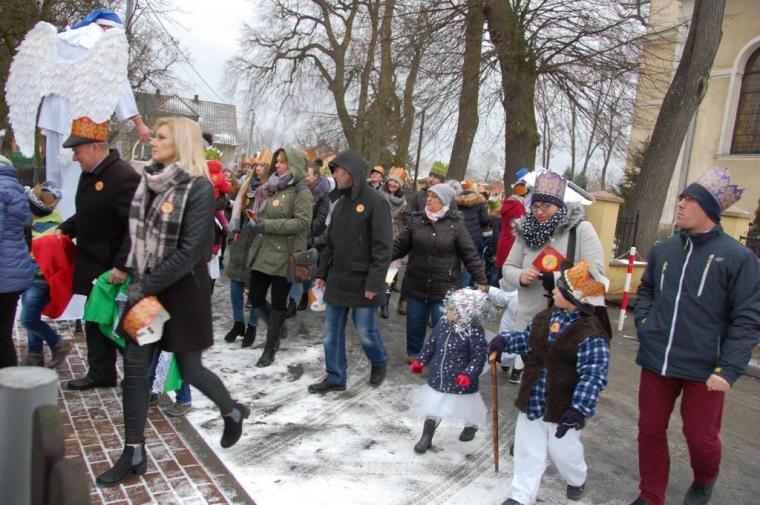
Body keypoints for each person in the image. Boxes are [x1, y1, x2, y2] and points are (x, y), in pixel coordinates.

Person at [96, 117, 249, 487]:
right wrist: (125, 269)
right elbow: (135, 235)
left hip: (182, 294)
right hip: (147, 294)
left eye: (161, 136)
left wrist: (144, 285)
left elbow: (190, 251)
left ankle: (231, 411)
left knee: (190, 369)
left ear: (180, 142)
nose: (152, 140)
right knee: (135, 371)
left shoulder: (199, 188)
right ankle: (134, 451)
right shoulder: (148, 181)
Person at [628, 168, 760, 505]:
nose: (681, 204)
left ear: (710, 209)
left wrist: (729, 369)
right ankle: (651, 494)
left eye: (690, 199)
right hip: (658, 359)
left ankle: (705, 477)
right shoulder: (664, 250)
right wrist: (645, 323)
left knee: (700, 437)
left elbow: (747, 319)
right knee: (650, 430)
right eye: (681, 197)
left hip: (706, 367)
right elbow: (647, 289)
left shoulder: (739, 258)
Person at [489, 260, 612, 505]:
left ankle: (577, 477)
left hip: (563, 406)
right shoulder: (545, 317)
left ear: (573, 298)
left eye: (560, 288)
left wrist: (578, 410)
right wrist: (506, 341)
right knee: (527, 449)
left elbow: (592, 376)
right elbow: (528, 342)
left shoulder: (591, 334)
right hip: (534, 396)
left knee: (563, 451)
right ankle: (521, 495)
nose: (553, 290)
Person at [57, 117, 139, 390]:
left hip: (113, 269)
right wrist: (65, 229)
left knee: (121, 326)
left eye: (77, 151)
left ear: (94, 147)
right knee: (94, 321)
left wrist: (122, 265)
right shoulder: (91, 173)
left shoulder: (123, 176)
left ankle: (143, 380)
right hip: (94, 265)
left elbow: (135, 226)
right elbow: (88, 213)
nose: (75, 157)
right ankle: (101, 373)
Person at [308, 149, 392, 393]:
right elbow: (330, 243)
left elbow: (383, 248)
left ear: (351, 172)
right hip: (338, 279)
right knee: (330, 334)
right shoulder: (340, 203)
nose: (334, 175)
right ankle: (335, 376)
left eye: (337, 171)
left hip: (364, 281)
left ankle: (379, 360)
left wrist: (374, 284)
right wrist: (321, 273)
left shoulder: (377, 202)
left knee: (365, 331)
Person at [392, 183, 487, 363]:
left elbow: (470, 254)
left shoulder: (456, 225)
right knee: (415, 322)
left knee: (441, 325)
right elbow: (398, 247)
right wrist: (379, 259)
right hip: (416, 282)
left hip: (445, 286)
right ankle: (415, 354)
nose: (429, 199)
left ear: (445, 201)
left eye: (435, 197)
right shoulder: (416, 221)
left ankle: (438, 356)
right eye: (429, 195)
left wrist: (480, 279)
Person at [502, 171, 604, 337]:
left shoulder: (580, 230)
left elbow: (596, 279)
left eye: (546, 206)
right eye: (535, 206)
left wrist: (556, 278)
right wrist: (520, 276)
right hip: (527, 325)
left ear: (559, 205)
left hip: (566, 327)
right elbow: (508, 267)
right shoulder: (526, 231)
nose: (539, 212)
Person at [243, 147, 312, 368]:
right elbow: (268, 214)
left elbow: (302, 223)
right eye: (278, 161)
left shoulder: (302, 192)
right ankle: (278, 324)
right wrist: (256, 220)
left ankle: (270, 348)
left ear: (295, 166)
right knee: (255, 296)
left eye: (283, 162)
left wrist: (267, 225)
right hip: (265, 251)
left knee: (279, 302)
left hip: (286, 255)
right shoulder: (273, 187)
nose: (278, 165)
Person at [408, 288, 489, 453]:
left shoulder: (474, 331)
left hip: (461, 380)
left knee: (467, 405)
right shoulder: (443, 323)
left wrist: (468, 374)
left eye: (451, 309)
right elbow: (431, 344)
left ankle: (471, 425)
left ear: (464, 312)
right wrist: (420, 362)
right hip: (439, 376)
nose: (446, 311)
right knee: (434, 405)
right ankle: (426, 437)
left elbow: (478, 357)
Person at [20, 182, 72, 368]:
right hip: (28, 277)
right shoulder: (31, 224)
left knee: (28, 319)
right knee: (32, 316)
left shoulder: (52, 229)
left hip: (40, 280)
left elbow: (50, 260)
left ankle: (58, 343)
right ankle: (34, 355)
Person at [223, 151, 271, 347]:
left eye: (261, 166)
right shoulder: (246, 186)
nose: (257, 169)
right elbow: (236, 212)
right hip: (241, 238)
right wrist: (233, 234)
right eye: (256, 165)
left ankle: (252, 326)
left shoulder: (272, 189)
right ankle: (238, 323)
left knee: (255, 287)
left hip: (259, 241)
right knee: (235, 283)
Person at [0, 155, 35, 368]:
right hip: (14, 273)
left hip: (3, 273)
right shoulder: (15, 188)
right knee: (3, 336)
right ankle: (9, 382)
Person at [286, 159, 330, 317]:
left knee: (305, 269)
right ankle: (291, 302)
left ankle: (305, 294)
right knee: (293, 267)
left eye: (308, 175)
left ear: (316, 176)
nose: (305, 177)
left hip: (311, 237)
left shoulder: (324, 196)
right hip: (296, 234)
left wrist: (305, 230)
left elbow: (320, 220)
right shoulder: (298, 190)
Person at [379, 167, 409, 319]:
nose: (392, 184)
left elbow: (406, 221)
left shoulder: (403, 202)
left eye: (396, 182)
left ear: (400, 185)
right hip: (377, 236)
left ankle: (385, 302)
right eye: (391, 180)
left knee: (390, 274)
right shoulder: (377, 195)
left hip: (394, 238)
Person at [457, 179, 490, 287]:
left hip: (457, 234)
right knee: (470, 262)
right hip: (473, 237)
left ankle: (454, 285)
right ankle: (465, 287)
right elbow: (485, 220)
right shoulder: (479, 201)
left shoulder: (456, 200)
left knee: (456, 261)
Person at [496, 169, 530, 271]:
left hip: (504, 240)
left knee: (501, 271)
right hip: (511, 243)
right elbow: (523, 227)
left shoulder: (509, 203)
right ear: (524, 194)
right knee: (508, 272)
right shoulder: (518, 207)